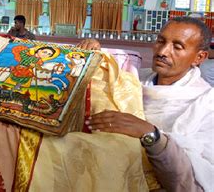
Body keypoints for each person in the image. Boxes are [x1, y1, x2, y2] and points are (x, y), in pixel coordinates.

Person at [79, 16, 213, 191]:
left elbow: (192, 183)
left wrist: (150, 135)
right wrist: (91, 56)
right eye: (160, 41)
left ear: (199, 57)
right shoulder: (131, 79)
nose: (163, 51)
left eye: (177, 46)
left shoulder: (206, 105)